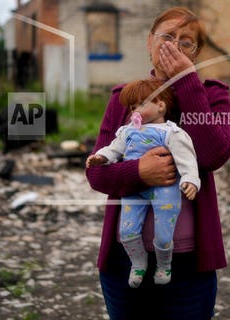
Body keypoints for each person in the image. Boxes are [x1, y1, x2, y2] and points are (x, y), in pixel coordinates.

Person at [85, 6, 230, 320]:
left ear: (195, 53)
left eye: (186, 42)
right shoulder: (124, 99)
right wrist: (140, 172)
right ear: (150, 43)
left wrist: (187, 83)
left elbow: (213, 155)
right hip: (125, 263)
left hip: (189, 268)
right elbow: (97, 174)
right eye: (167, 37)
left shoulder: (212, 96)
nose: (174, 46)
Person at [86, 79, 200, 288]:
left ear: (161, 105)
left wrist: (191, 180)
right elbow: (113, 149)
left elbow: (187, 159)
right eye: (132, 107)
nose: (135, 111)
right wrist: (100, 157)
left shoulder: (171, 133)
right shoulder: (127, 131)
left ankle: (164, 264)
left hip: (165, 188)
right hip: (135, 188)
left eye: (141, 104)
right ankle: (138, 263)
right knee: (127, 230)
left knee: (164, 233)